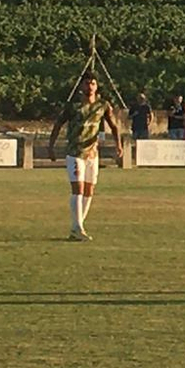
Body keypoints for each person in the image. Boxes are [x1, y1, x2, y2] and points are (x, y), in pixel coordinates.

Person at [46, 74, 123, 242]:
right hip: (75, 152)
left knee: (89, 190)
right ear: (81, 86)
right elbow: (58, 125)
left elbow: (114, 126)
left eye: (93, 83)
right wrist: (51, 146)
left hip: (92, 154)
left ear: (97, 86)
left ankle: (77, 226)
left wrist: (118, 145)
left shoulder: (102, 105)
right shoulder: (72, 106)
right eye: (87, 83)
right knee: (78, 188)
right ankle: (77, 227)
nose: (90, 86)